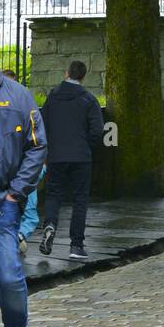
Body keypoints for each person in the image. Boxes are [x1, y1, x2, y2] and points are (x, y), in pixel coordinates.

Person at [0, 25, 47, 327]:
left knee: (9, 276)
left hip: (0, 207)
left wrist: (15, 195)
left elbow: (37, 147)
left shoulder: (19, 96)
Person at [39, 60, 104, 262]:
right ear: (83, 76)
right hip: (80, 156)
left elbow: (43, 124)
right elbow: (97, 130)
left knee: (54, 194)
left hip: (56, 155)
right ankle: (76, 245)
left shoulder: (53, 96)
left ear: (66, 73)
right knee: (80, 200)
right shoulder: (89, 99)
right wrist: (86, 146)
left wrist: (49, 148)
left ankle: (50, 224)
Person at [1, 71, 45, 255]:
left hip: (18, 173)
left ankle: (15, 238)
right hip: (20, 174)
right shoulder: (22, 105)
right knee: (29, 213)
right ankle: (17, 237)